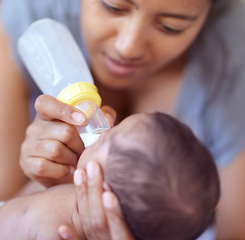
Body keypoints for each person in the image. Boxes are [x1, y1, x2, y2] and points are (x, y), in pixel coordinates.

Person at [1, 0, 245, 239]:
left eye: (170, 26)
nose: (127, 47)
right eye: (114, 7)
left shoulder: (231, 64)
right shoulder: (30, 14)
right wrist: (46, 180)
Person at [0, 112, 220, 240]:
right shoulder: (69, 199)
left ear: (103, 192)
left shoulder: (60, 232)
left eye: (106, 139)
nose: (103, 131)